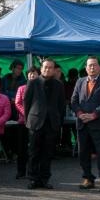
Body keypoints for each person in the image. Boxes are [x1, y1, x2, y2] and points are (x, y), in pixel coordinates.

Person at [70, 56, 100, 191]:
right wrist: (79, 114)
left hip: (98, 123)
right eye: (89, 65)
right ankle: (88, 178)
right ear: (86, 68)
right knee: (83, 152)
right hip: (82, 123)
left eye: (94, 65)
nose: (92, 68)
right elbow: (74, 100)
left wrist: (94, 115)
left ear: (99, 67)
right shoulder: (80, 81)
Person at [24, 59, 65, 190]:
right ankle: (32, 179)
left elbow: (61, 106)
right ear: (41, 69)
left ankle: (44, 179)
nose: (48, 70)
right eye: (45, 67)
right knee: (33, 153)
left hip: (52, 124)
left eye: (50, 68)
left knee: (47, 153)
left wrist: (59, 122)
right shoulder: (33, 83)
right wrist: (28, 120)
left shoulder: (59, 85)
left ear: (54, 70)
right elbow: (27, 104)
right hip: (35, 123)